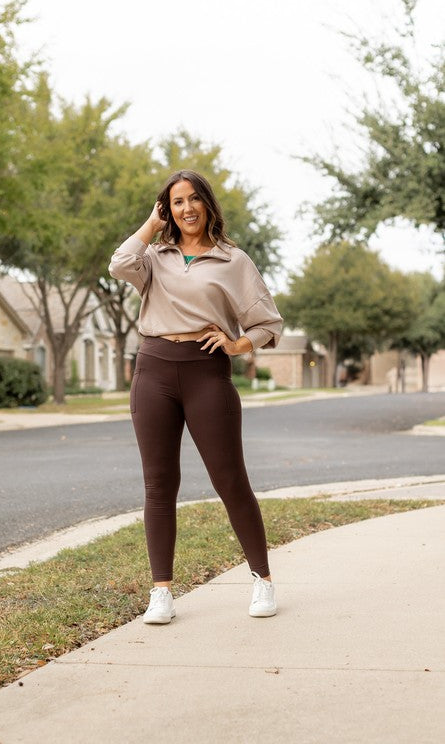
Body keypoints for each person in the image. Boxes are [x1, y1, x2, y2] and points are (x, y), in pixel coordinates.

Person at [108, 169, 283, 624]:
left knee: (230, 481)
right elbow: (119, 263)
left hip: (207, 373)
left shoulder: (233, 261)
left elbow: (268, 324)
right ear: (168, 209)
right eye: (176, 201)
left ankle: (262, 579)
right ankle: (161, 591)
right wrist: (151, 223)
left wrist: (238, 344)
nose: (186, 209)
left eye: (193, 200)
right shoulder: (155, 256)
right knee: (159, 484)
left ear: (207, 204)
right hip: (154, 371)